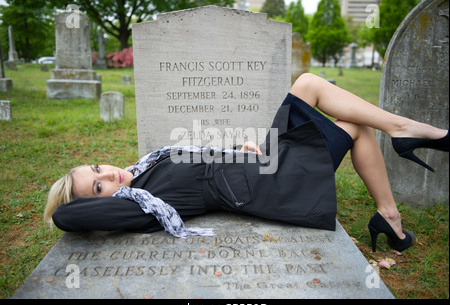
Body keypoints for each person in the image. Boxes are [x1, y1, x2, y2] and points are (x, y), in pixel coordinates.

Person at [44, 73, 449, 253]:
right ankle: (399, 156)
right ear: (100, 205)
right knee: (355, 127)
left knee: (309, 85)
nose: (107, 175)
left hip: (255, 165)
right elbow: (68, 218)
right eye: (98, 187)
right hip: (266, 185)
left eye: (96, 169)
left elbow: (201, 162)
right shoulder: (138, 204)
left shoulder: (144, 167)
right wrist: (82, 201)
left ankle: (391, 203)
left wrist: (239, 147)